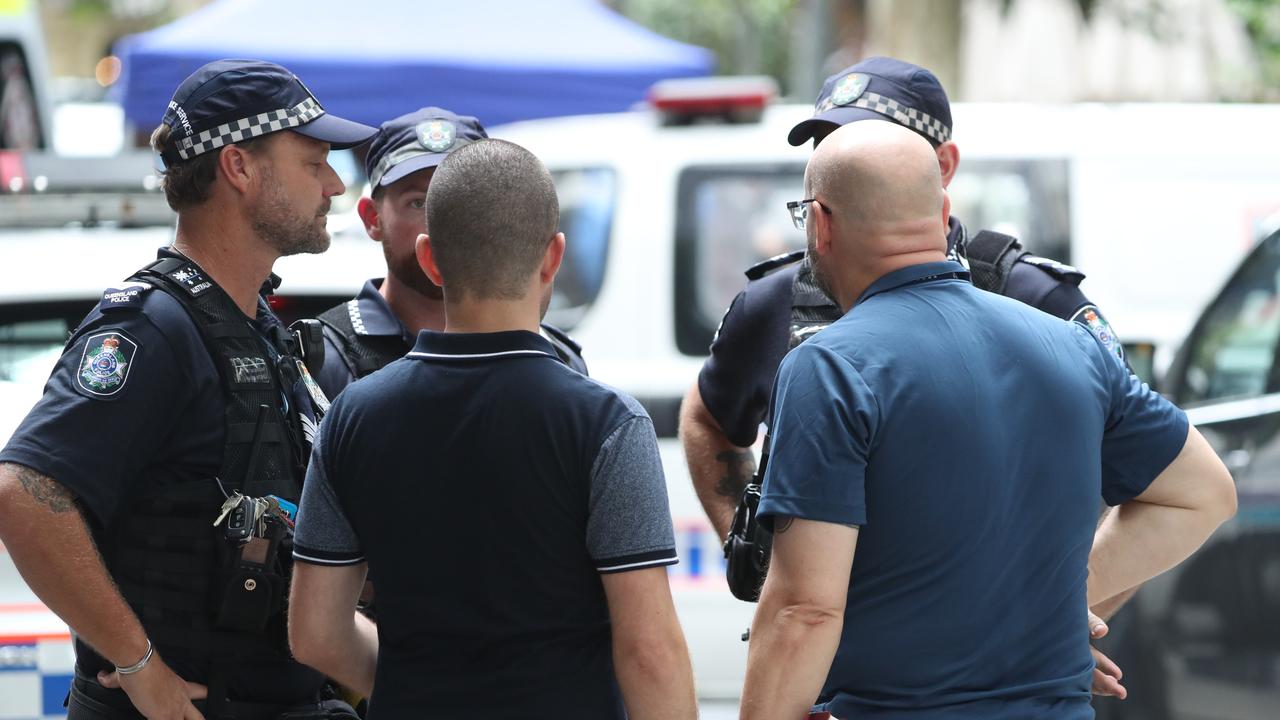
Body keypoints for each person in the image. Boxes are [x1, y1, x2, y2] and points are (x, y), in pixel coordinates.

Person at [738, 120, 1236, 720]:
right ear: (942, 210)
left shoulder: (830, 367)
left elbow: (803, 611)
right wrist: (1055, 602)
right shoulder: (1071, 347)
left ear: (819, 223)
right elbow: (1203, 493)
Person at [0, 59, 375, 719]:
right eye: (314, 163)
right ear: (238, 167)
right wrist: (138, 663)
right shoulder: (153, 325)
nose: (336, 186)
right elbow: (24, 496)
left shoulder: (256, 329)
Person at [287, 138, 697, 719]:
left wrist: (417, 683)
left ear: (430, 259)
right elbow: (650, 650)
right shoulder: (607, 425)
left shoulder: (354, 415)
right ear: (553, 257)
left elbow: (314, 635)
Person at [680, 56, 1125, 543]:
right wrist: (749, 553)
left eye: (874, 147)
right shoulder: (774, 301)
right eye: (827, 150)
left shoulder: (1035, 300)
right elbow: (707, 418)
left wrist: (1074, 600)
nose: (845, 168)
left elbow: (1143, 472)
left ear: (944, 167)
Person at [311, 107, 586, 400]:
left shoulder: (553, 355)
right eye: (418, 203)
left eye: (464, 204)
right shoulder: (325, 358)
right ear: (372, 219)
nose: (441, 223)